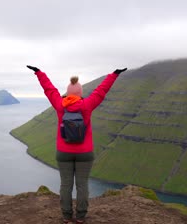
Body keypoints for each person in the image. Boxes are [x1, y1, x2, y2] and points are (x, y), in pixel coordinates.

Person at [26, 65, 127, 224]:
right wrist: (114, 75)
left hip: (63, 152)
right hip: (85, 152)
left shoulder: (60, 105)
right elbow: (101, 90)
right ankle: (80, 217)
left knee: (65, 185)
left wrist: (39, 73)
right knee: (82, 185)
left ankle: (66, 216)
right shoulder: (87, 105)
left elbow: (49, 89)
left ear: (67, 93)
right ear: (80, 93)